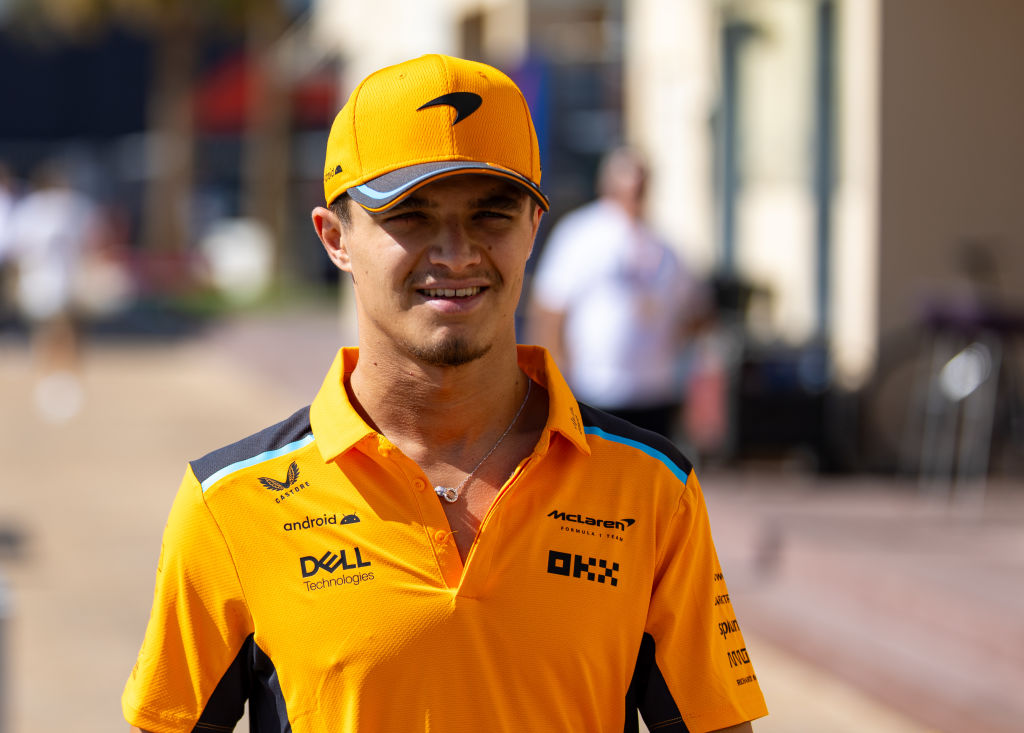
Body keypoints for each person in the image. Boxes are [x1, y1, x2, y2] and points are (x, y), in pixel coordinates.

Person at [123, 54, 766, 733]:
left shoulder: (650, 489)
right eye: (413, 216)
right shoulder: (229, 504)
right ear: (335, 238)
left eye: (491, 214)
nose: (456, 253)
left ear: (532, 232)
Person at [529, 147, 708, 440]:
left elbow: (694, 309)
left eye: (639, 187)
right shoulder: (580, 235)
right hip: (595, 389)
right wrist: (553, 381)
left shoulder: (662, 246)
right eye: (627, 187)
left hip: (654, 390)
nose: (633, 195)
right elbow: (550, 309)